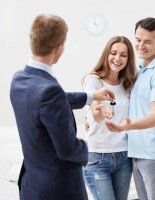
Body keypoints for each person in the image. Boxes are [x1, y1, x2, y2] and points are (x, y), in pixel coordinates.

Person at [10, 14, 115, 200]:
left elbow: (49, 100)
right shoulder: (50, 91)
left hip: (31, 186)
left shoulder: (19, 80)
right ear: (59, 49)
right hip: (59, 189)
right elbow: (67, 149)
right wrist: (86, 145)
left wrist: (91, 96)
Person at [106, 17, 155, 200]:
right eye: (138, 40)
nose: (140, 46)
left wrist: (126, 127)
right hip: (137, 151)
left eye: (147, 41)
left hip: (154, 154)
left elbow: (154, 117)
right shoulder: (139, 69)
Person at [82, 36, 136, 200]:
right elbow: (96, 115)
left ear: (128, 59)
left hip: (123, 157)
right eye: (113, 53)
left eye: (123, 55)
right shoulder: (93, 80)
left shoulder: (127, 83)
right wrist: (101, 108)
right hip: (97, 158)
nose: (118, 58)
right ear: (107, 54)